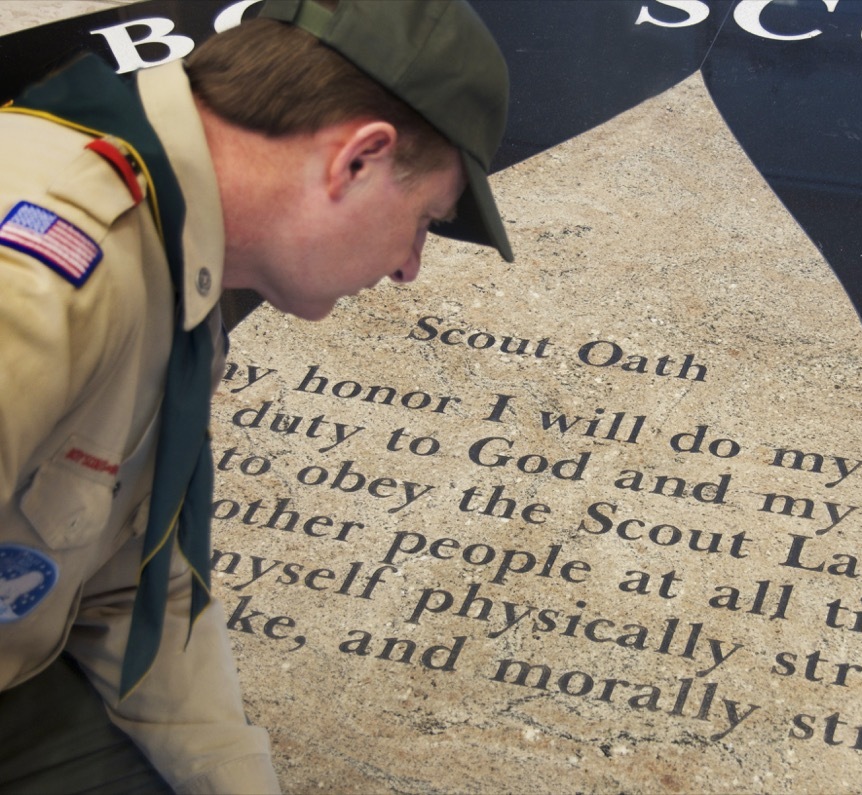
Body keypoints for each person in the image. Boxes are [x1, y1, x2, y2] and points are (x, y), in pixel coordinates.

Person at [0, 1, 512, 792]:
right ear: (358, 159)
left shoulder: (174, 254)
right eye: (425, 221)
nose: (411, 265)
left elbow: (133, 576)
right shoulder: (42, 276)